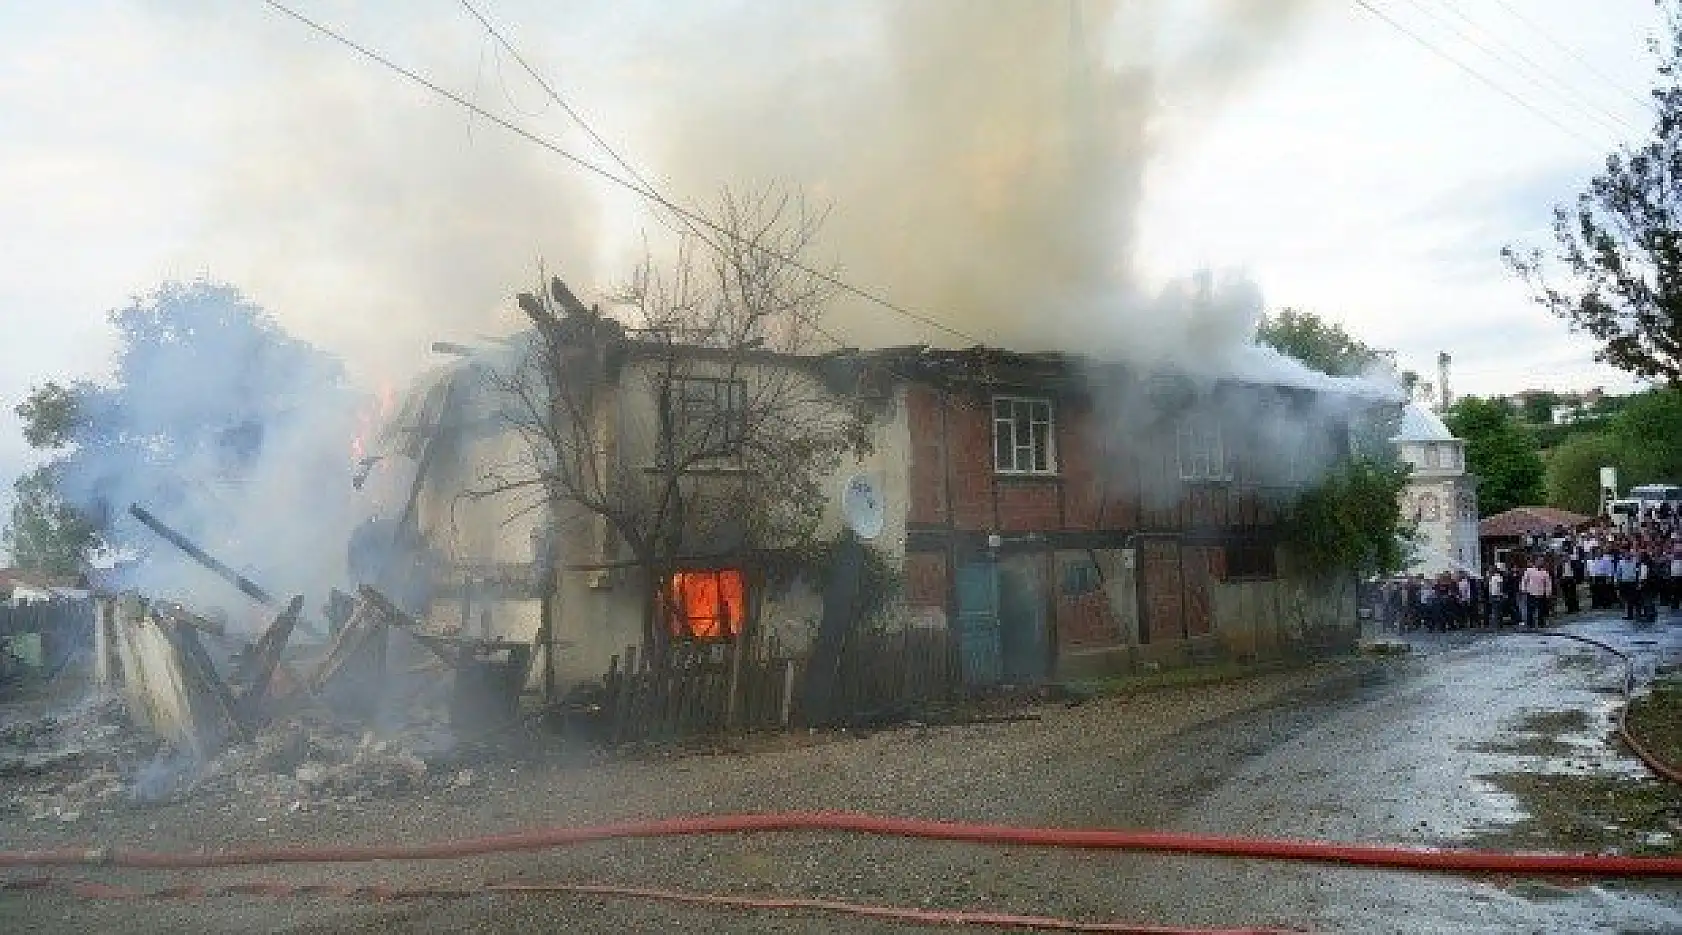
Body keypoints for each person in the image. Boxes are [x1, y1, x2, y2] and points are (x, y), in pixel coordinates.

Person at [1520, 558, 1553, 629]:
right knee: (1530, 610)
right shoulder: (1529, 570)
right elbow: (1524, 580)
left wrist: (1548, 593)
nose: (1540, 563)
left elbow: (1548, 584)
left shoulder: (1545, 572)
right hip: (1531, 593)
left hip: (1541, 593)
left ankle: (1541, 623)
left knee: (1541, 609)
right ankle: (1530, 624)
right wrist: (1523, 589)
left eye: (1541, 562)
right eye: (1539, 561)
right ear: (1535, 562)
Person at [1616, 550, 1642, 620]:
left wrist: (1639, 582)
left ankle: (1638, 613)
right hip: (1625, 582)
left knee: (1636, 599)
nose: (1627, 555)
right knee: (1627, 600)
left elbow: (1638, 572)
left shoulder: (1635, 562)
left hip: (1633, 582)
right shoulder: (1620, 562)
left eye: (1628, 553)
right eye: (1625, 554)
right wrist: (1617, 582)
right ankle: (1629, 614)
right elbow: (1618, 573)